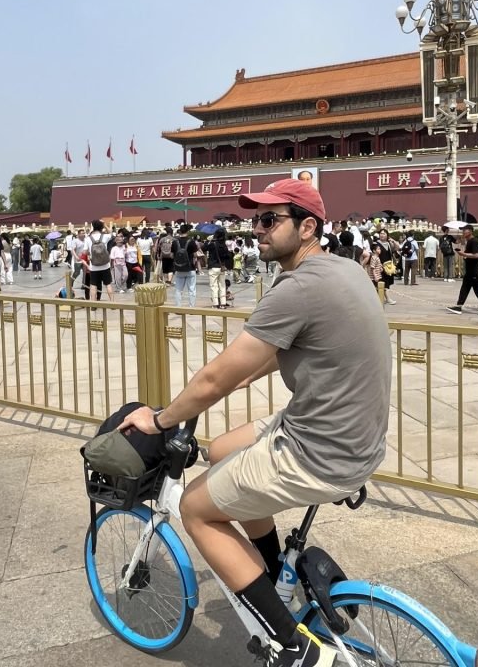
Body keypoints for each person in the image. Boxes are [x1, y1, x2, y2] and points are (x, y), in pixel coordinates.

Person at [118, 178, 390, 667]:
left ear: (308, 227)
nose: (257, 230)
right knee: (222, 449)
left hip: (320, 451)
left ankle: (291, 645)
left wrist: (160, 419)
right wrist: (234, 379)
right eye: (254, 220)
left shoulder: (298, 288)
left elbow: (217, 376)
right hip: (352, 437)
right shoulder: (343, 269)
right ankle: (271, 573)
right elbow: (285, 351)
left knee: (198, 510)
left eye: (269, 220)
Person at [446, 225, 478, 315]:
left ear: (471, 231)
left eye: (465, 230)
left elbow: (476, 255)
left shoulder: (474, 242)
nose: (463, 232)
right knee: (465, 289)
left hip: (474, 271)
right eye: (463, 230)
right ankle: (458, 306)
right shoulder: (469, 242)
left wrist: (463, 254)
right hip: (470, 271)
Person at [172, 225, 199, 307]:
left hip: (179, 269)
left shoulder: (175, 242)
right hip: (190, 268)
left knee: (178, 290)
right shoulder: (191, 242)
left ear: (180, 231)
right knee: (191, 290)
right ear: (187, 232)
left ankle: (178, 307)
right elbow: (195, 255)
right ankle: (191, 308)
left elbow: (171, 255)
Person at [87, 220, 114, 301]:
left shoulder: (88, 238)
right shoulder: (105, 236)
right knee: (108, 284)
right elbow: (111, 233)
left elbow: (84, 251)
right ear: (101, 227)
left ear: (93, 227)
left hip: (94, 266)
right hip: (105, 265)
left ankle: (93, 304)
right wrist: (105, 224)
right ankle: (112, 303)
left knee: (93, 285)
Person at [207, 229, 231, 308]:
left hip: (213, 266)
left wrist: (210, 240)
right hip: (221, 267)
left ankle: (215, 303)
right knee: (222, 285)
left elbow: (203, 248)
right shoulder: (223, 245)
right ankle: (223, 303)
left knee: (214, 286)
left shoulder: (212, 244)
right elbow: (227, 255)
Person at [377, 229, 398, 305]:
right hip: (380, 266)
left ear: (387, 235)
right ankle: (387, 298)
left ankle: (381, 298)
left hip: (388, 266)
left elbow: (397, 248)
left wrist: (393, 241)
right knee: (382, 282)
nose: (382, 235)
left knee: (386, 282)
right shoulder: (376, 244)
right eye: (381, 233)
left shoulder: (389, 243)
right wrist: (379, 266)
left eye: (384, 234)